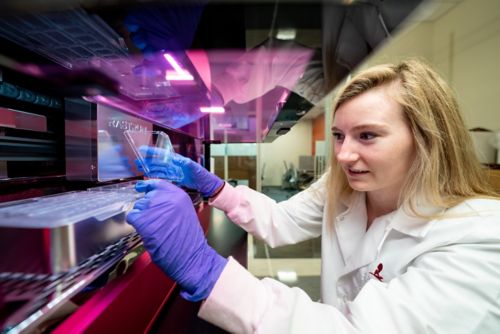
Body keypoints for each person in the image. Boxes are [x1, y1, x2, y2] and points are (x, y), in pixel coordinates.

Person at [126, 59, 500, 333]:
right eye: (339, 135)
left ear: (426, 140)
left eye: (366, 135)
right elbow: (281, 221)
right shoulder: (346, 185)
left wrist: (204, 270)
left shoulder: (479, 236)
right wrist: (214, 187)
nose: (342, 155)